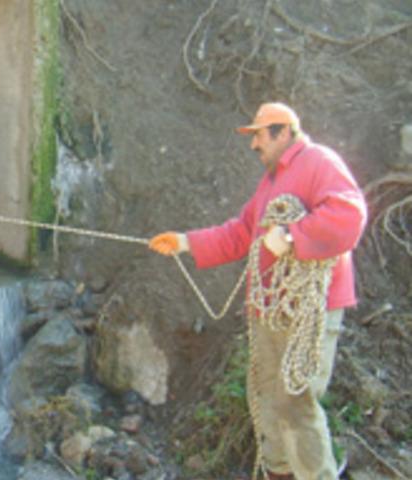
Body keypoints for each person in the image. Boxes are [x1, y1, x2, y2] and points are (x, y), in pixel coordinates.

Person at [148, 102, 367, 479]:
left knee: (296, 401)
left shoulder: (318, 162)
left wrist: (291, 236)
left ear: (284, 132)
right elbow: (241, 234)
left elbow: (351, 215)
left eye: (259, 136)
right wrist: (184, 242)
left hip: (308, 311)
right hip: (270, 310)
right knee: (269, 400)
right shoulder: (271, 181)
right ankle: (278, 473)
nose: (253, 146)